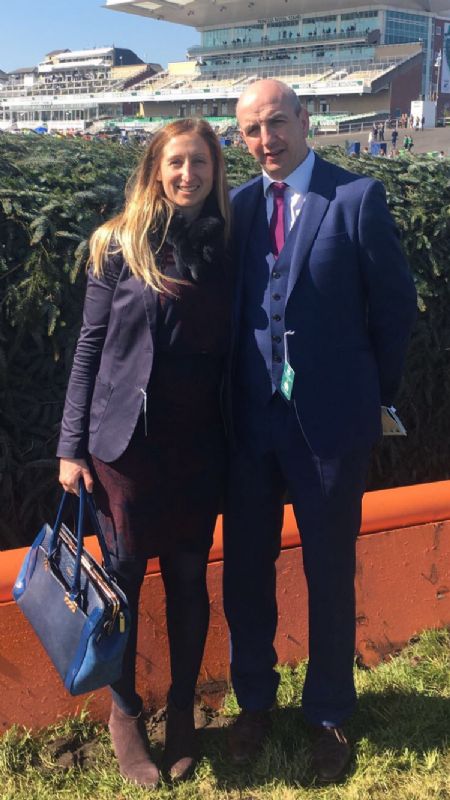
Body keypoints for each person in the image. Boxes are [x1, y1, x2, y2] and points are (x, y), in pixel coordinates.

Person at [223, 79, 417, 784]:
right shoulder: (239, 207)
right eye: (251, 130)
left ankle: (330, 712)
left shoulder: (355, 198)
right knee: (246, 572)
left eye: (276, 123)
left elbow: (394, 308)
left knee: (328, 572)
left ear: (305, 121)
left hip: (331, 425)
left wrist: (372, 394)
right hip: (250, 425)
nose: (265, 140)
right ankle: (254, 704)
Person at [57, 118, 231, 788]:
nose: (189, 175)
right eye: (177, 163)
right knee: (122, 584)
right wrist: (70, 447)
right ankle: (124, 715)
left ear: (216, 174)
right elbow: (88, 352)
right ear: (156, 170)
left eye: (202, 165)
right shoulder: (117, 244)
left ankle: (182, 713)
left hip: (198, 445)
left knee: (189, 578)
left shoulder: (228, 248)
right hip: (123, 449)